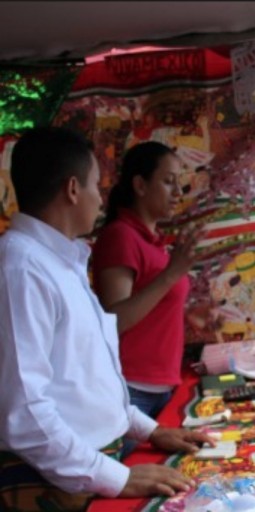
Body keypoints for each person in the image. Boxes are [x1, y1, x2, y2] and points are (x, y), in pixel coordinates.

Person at [0, 127, 214, 511]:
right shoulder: (21, 268)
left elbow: (86, 378)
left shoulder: (59, 262)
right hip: (55, 480)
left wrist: (151, 429)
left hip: (88, 468)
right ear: (71, 189)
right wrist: (116, 476)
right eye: (96, 185)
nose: (101, 198)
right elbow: (24, 410)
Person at [92, 141, 202, 422]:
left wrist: (192, 316)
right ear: (140, 185)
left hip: (161, 385)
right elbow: (113, 319)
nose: (179, 192)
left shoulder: (152, 241)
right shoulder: (120, 236)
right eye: (168, 182)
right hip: (132, 389)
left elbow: (152, 309)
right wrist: (170, 275)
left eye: (179, 183)